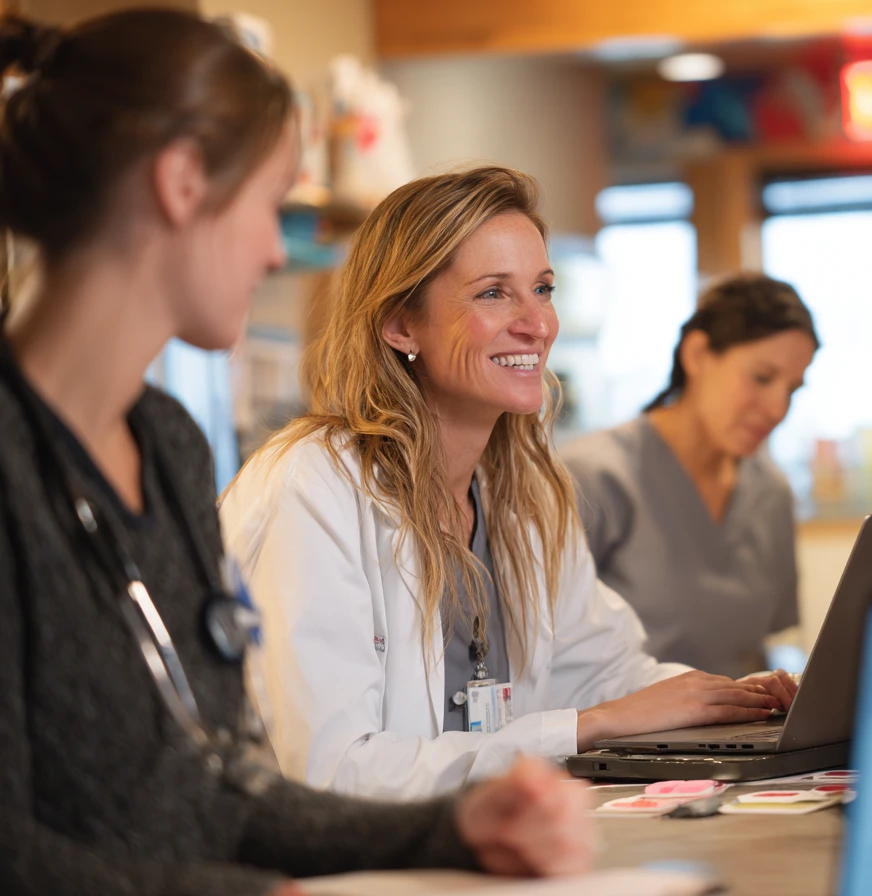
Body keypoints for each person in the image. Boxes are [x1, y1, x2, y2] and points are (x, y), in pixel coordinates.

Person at [0, 12, 593, 896]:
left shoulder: (166, 445)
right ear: (182, 183)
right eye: (270, 203)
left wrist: (450, 828)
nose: (278, 249)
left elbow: (220, 789)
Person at [220, 165, 798, 800]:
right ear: (401, 324)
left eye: (542, 289)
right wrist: (586, 727)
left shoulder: (526, 495)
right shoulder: (312, 485)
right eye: (494, 293)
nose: (537, 324)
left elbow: (604, 672)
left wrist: (732, 701)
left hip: (480, 837)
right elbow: (333, 773)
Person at [561, 274, 818, 678]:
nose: (777, 409)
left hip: (744, 716)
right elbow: (548, 657)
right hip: (624, 718)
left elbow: (767, 649)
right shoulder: (593, 477)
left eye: (792, 390)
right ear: (697, 354)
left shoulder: (771, 493)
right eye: (762, 378)